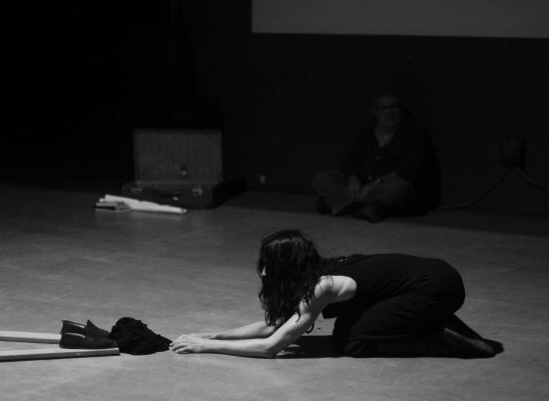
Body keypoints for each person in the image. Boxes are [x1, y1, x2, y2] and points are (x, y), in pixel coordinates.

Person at [170, 230, 501, 358]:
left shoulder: (320, 286)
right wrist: (214, 334)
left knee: (353, 342)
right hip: (431, 278)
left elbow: (272, 346)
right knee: (346, 332)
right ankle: (432, 320)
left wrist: (206, 347)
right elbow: (273, 326)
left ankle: (440, 336)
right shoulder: (312, 274)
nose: (265, 272)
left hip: (438, 287)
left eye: (270, 265)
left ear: (288, 267)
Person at [311, 92, 440, 222]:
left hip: (383, 187)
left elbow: (411, 168)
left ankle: (342, 205)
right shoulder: (366, 132)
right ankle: (362, 208)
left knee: (398, 189)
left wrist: (376, 183)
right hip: (360, 186)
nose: (390, 113)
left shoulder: (414, 133)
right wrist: (353, 179)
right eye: (385, 108)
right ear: (376, 112)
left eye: (394, 107)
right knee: (322, 178)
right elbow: (350, 161)